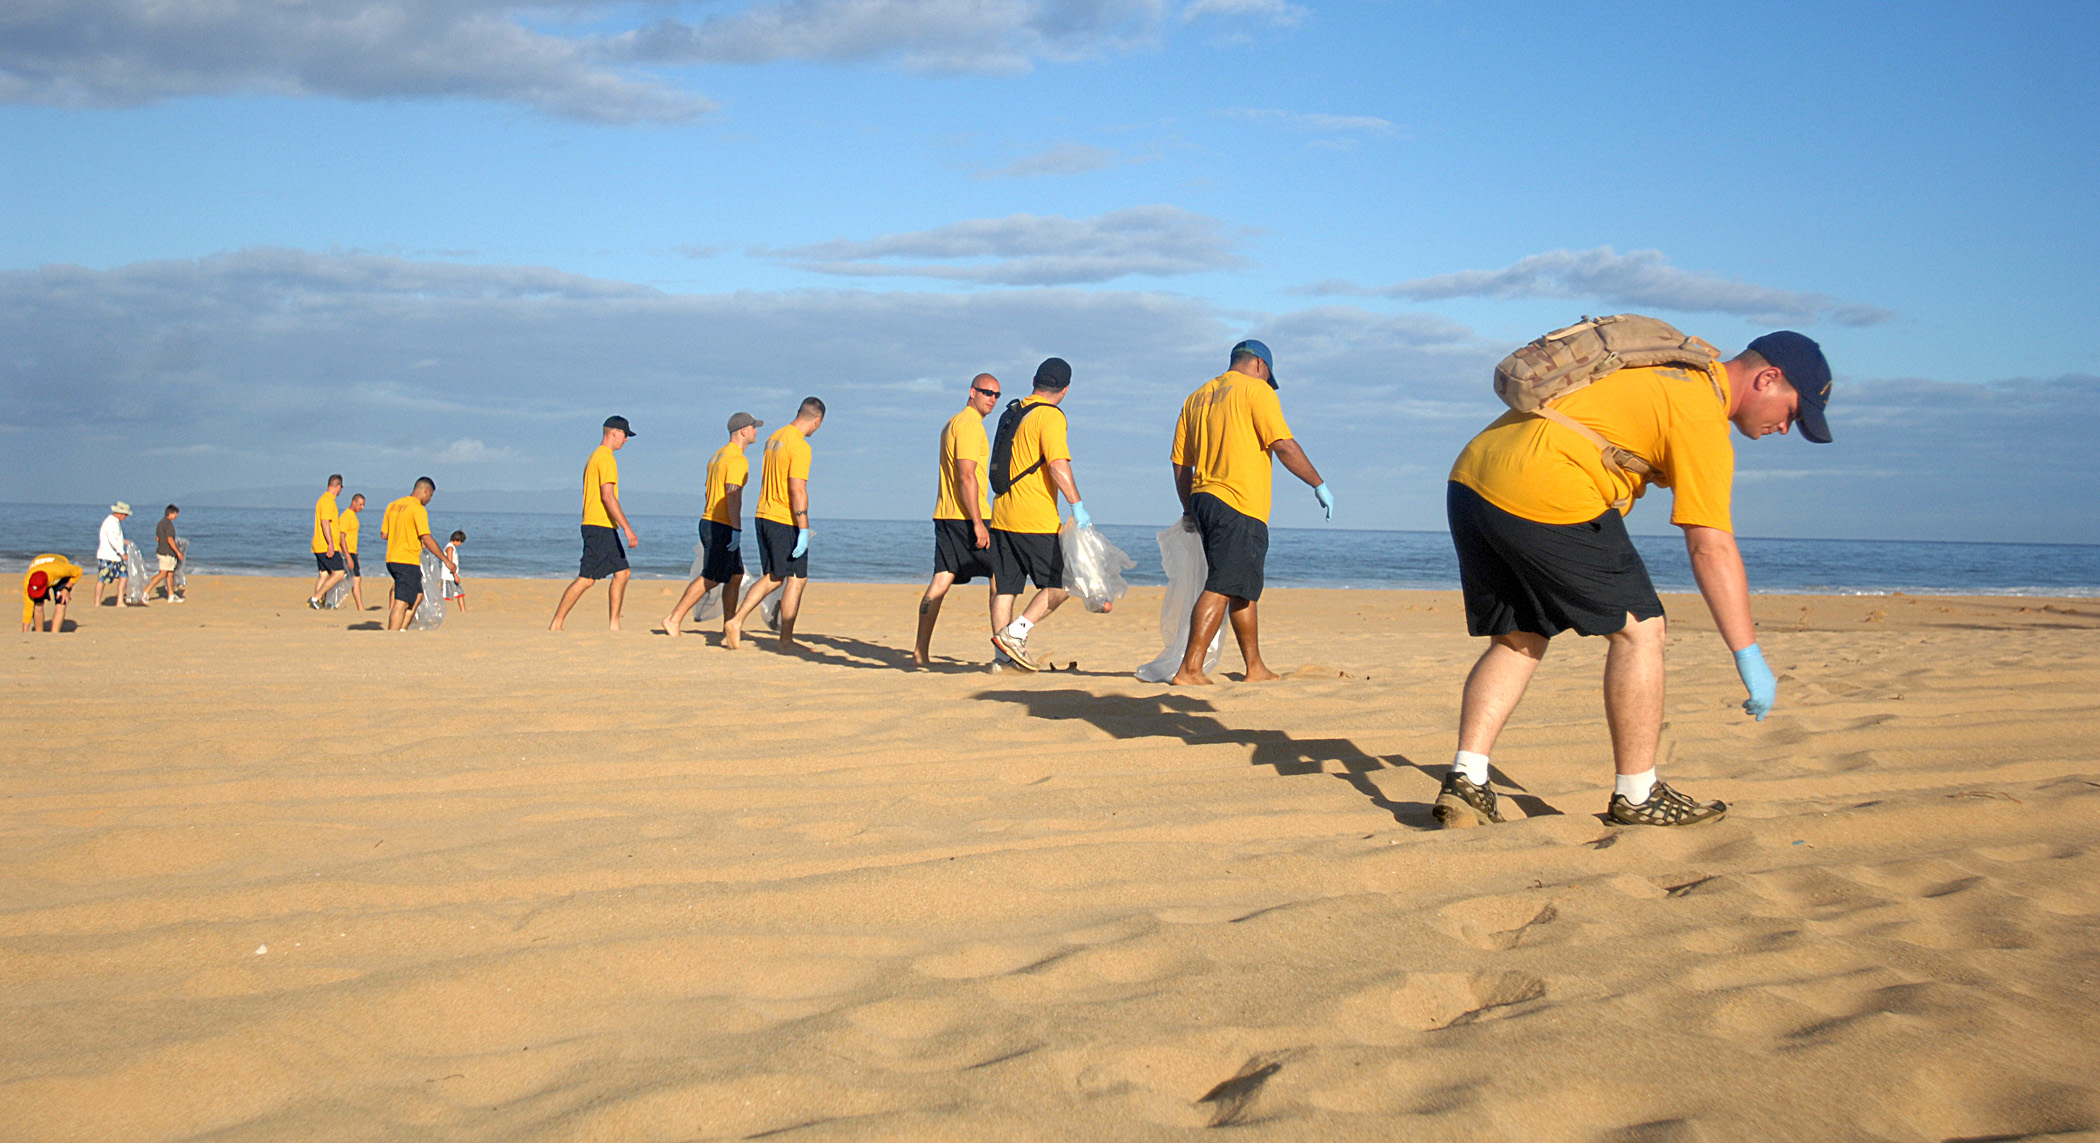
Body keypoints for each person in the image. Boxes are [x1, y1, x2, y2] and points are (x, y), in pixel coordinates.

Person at [1436, 329, 1836, 829]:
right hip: (1549, 487)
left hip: (1473, 479)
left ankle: (1467, 780)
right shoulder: (1700, 410)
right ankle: (1638, 794)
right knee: (1641, 631)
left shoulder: (1665, 371)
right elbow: (1710, 546)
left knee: (1520, 635)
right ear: (1768, 378)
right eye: (1793, 414)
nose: (1785, 428)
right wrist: (1747, 653)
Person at [1168, 339, 1332, 685]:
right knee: (1223, 583)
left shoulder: (1196, 397)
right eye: (1268, 375)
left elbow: (1181, 461)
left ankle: (1255, 667)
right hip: (1238, 502)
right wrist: (1317, 483)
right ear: (1259, 365)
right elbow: (1283, 445)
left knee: (1242, 584)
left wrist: (1188, 508)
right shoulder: (1257, 392)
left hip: (1204, 497)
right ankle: (1190, 669)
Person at [987, 358, 1089, 672]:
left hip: (1002, 512)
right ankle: (1015, 635)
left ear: (1035, 381)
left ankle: (1003, 659)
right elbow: (1058, 464)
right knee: (1063, 585)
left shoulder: (1013, 412)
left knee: (1005, 588)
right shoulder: (1050, 416)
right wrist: (1077, 506)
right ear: (1066, 389)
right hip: (1034, 516)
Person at [913, 374, 1002, 667]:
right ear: (972, 392)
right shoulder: (968, 426)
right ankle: (1003, 654)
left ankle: (920, 653)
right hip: (968, 516)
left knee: (941, 580)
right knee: (1000, 579)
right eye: (987, 392)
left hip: (946, 515)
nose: (991, 398)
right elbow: (966, 476)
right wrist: (977, 522)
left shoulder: (952, 423)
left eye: (996, 395)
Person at [725, 398, 824, 651]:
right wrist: (803, 529)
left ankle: (736, 621)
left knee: (774, 576)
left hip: (763, 514)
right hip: (783, 518)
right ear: (817, 420)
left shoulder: (774, 438)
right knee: (797, 578)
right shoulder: (800, 446)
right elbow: (797, 489)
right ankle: (784, 638)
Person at [664, 412, 763, 638]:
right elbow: (733, 494)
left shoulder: (718, 455)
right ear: (743, 431)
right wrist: (736, 528)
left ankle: (729, 624)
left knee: (735, 575)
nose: (756, 431)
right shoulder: (737, 459)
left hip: (712, 521)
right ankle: (673, 618)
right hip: (720, 523)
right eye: (754, 427)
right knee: (711, 576)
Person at [549, 417, 640, 632]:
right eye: (625, 434)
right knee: (587, 579)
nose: (626, 440)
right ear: (614, 432)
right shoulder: (605, 458)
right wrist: (627, 528)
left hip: (599, 525)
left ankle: (614, 624)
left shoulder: (594, 457)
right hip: (599, 525)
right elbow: (608, 496)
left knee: (622, 573)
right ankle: (557, 623)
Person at [380, 477, 459, 632]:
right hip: (406, 560)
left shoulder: (393, 505)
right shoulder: (417, 509)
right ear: (426, 491)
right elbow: (426, 537)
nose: (429, 500)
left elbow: (384, 534)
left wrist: (407, 535)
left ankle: (402, 629)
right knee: (401, 601)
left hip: (392, 558)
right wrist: (446, 561)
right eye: (430, 496)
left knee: (417, 596)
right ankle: (391, 636)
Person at [308, 475, 347, 609]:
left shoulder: (327, 500)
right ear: (338, 487)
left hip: (321, 545)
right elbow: (325, 523)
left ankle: (318, 603)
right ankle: (315, 598)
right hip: (325, 546)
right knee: (339, 573)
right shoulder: (327, 501)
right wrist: (331, 544)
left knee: (324, 575)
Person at [21, 553, 83, 632]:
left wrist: (66, 589)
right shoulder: (28, 581)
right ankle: (39, 633)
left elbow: (79, 571)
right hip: (39, 569)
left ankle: (54, 634)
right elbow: (28, 608)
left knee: (61, 603)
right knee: (37, 605)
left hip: (58, 571)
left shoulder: (60, 570)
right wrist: (25, 633)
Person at [140, 504, 187, 603]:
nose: (176, 516)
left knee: (170, 574)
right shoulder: (168, 524)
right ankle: (145, 592)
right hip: (167, 553)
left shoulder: (160, 523)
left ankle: (171, 595)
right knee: (162, 574)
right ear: (170, 513)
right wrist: (178, 552)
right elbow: (170, 540)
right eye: (175, 514)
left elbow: (157, 538)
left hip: (162, 551)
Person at [96, 502, 133, 607]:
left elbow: (116, 538)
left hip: (115, 556)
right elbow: (112, 539)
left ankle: (120, 601)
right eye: (125, 515)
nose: (125, 517)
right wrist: (122, 553)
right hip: (107, 556)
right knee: (102, 578)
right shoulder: (111, 522)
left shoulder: (114, 522)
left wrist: (124, 541)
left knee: (124, 576)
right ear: (121, 513)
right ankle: (97, 602)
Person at [339, 493, 369, 611]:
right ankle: (360, 607)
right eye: (360, 504)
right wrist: (348, 556)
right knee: (355, 578)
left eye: (363, 505)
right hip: (347, 552)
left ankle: (359, 606)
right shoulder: (346, 516)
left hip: (352, 552)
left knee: (355, 579)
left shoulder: (353, 516)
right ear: (354, 502)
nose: (362, 507)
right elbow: (342, 537)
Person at [441, 531, 467, 612]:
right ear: (457, 540)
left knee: (460, 593)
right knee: (444, 595)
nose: (461, 544)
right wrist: (455, 575)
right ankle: (440, 610)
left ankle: (463, 611)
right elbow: (450, 563)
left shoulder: (452, 547)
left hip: (453, 576)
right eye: (461, 542)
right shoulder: (450, 548)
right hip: (448, 576)